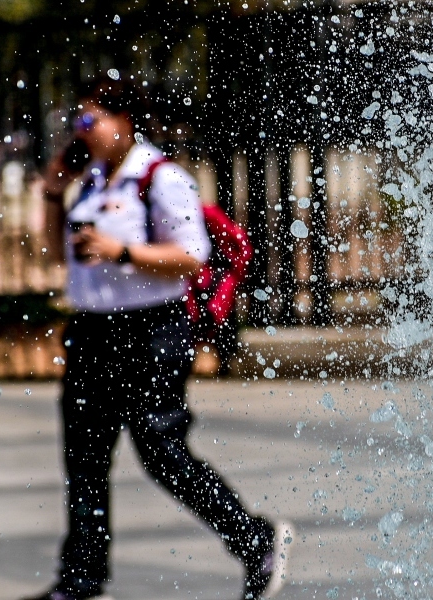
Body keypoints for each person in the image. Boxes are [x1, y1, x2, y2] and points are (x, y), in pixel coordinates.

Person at [28, 77, 291, 600]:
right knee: (83, 458)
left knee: (161, 452)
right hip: (92, 332)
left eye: (89, 120)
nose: (81, 131)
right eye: (77, 121)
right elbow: (57, 258)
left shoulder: (163, 178)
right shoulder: (93, 182)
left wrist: (121, 252)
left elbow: (192, 255)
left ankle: (256, 539)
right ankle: (80, 580)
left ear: (123, 121)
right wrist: (55, 193)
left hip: (151, 331)